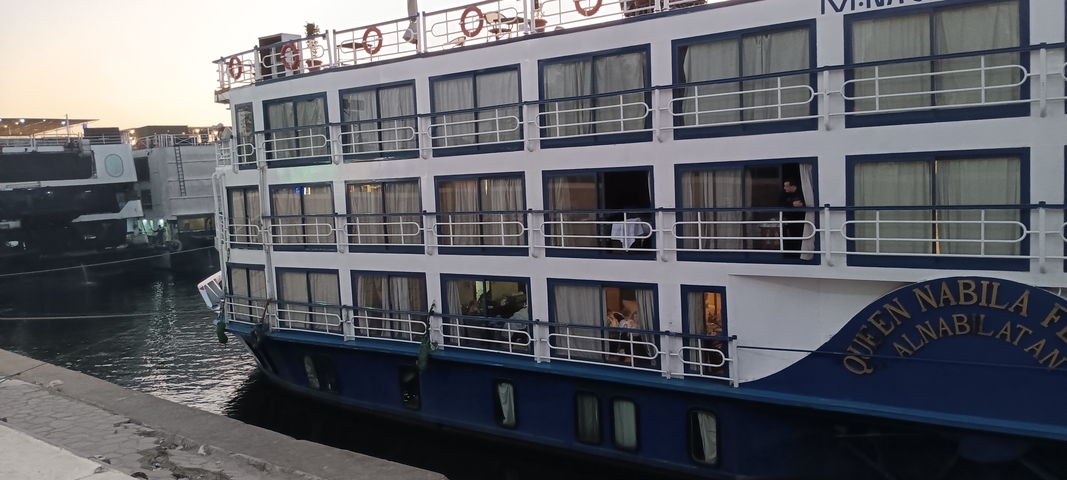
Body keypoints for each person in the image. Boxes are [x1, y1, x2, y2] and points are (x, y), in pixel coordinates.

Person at [779, 178, 805, 257]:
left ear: (793, 186)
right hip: (789, 219)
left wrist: (802, 204)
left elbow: (807, 201)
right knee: (791, 236)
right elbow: (779, 203)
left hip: (802, 219)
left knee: (802, 236)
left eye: (786, 186)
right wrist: (792, 204)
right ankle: (791, 253)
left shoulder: (803, 192)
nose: (784, 188)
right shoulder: (783, 193)